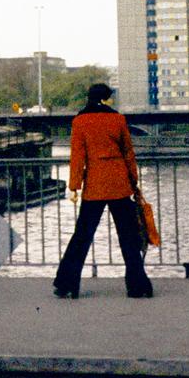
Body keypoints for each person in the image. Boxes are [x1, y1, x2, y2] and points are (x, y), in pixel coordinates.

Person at [52, 83, 153, 299]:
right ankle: (137, 286)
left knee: (82, 236)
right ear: (105, 99)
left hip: (95, 185)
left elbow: (77, 156)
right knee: (128, 237)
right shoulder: (118, 119)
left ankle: (67, 283)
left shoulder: (80, 121)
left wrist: (74, 186)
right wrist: (133, 182)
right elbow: (128, 154)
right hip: (119, 183)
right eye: (110, 98)